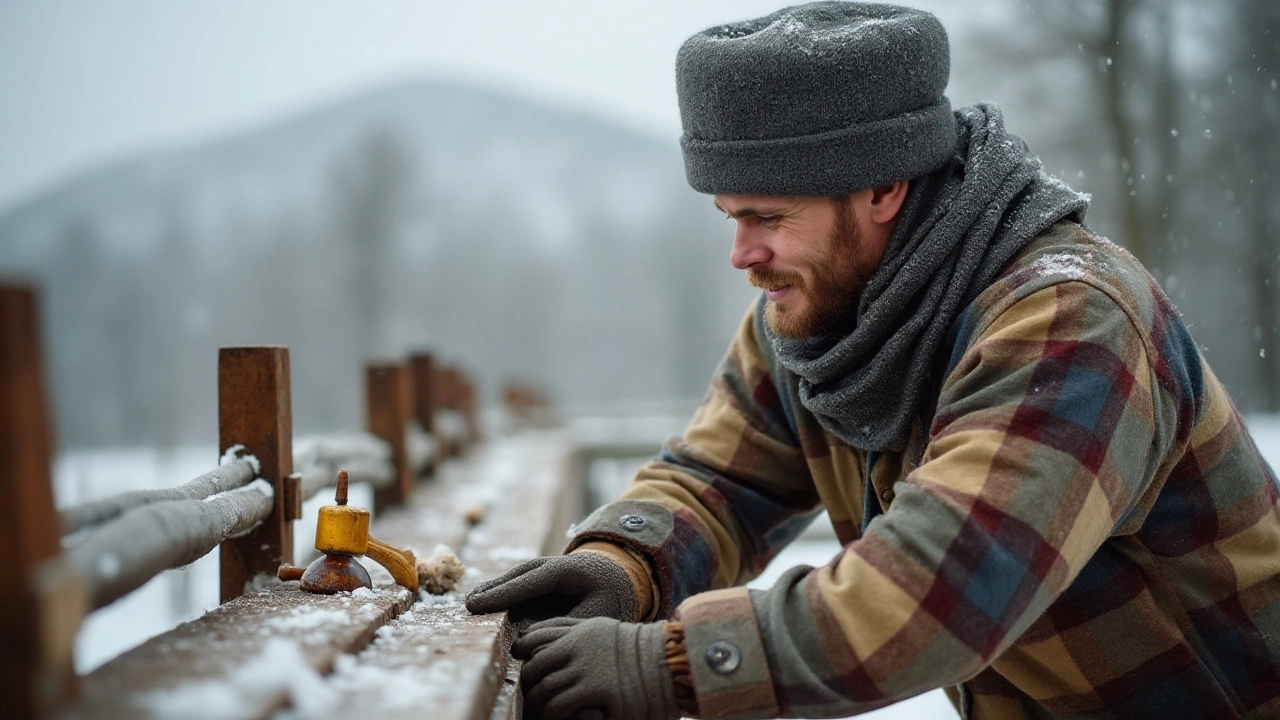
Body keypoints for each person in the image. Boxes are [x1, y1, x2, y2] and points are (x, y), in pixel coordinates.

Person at [466, 3, 1280, 719]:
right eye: (728, 216)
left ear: (885, 187)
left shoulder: (1073, 322)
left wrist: (673, 665)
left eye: (767, 216)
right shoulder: (819, 309)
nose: (742, 254)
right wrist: (622, 564)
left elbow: (944, 591)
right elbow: (723, 479)